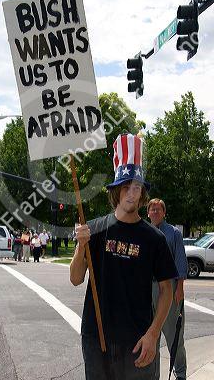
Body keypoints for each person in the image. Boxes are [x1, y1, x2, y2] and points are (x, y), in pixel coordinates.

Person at [70, 133, 178, 380]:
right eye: (126, 187)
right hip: (96, 338)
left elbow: (167, 291)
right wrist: (80, 247)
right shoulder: (95, 230)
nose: (131, 193)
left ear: (142, 194)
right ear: (117, 191)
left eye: (136, 187)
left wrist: (153, 334)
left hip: (138, 341)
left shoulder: (155, 239)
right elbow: (76, 279)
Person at [148, 198, 188, 380]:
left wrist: (179, 287)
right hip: (147, 289)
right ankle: (153, 376)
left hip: (169, 288)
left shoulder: (173, 233)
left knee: (175, 337)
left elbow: (180, 260)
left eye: (158, 210)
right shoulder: (144, 232)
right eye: (152, 209)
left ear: (164, 213)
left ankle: (180, 374)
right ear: (147, 213)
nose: (155, 212)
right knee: (151, 336)